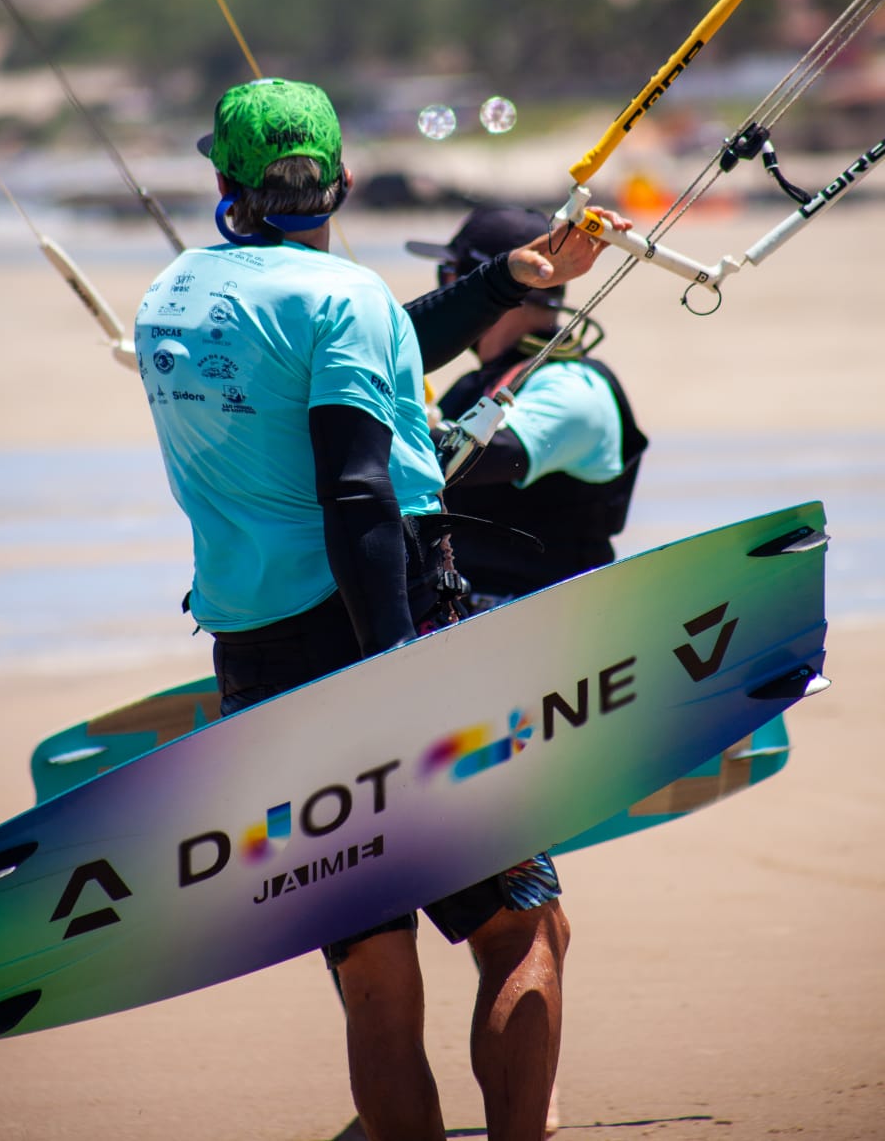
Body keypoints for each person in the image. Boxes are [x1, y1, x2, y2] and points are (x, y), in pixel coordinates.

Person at [134, 77, 630, 1141]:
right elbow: (356, 485)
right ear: (343, 182)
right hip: (376, 633)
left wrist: (507, 276)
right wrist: (398, 669)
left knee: (374, 974)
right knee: (519, 926)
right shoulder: (340, 297)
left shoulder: (167, 297)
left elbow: (350, 343)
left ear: (223, 181)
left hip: (254, 662)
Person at [407, 205, 648, 606]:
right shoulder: (475, 383)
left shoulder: (574, 385)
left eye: (448, 277)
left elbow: (478, 459)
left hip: (547, 622)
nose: (443, 294)